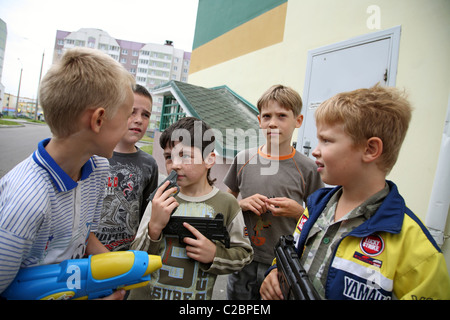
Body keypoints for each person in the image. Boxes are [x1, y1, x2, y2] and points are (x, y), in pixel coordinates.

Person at [260, 84, 450, 300]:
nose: (315, 150)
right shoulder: (315, 207)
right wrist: (274, 273)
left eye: (326, 140)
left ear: (370, 149)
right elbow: (291, 252)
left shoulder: (415, 247)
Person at [0, 47, 135, 299]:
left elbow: (84, 235)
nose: (130, 125)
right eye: (127, 116)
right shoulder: (26, 203)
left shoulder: (97, 168)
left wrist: (117, 267)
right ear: (98, 120)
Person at [127, 117, 253, 300]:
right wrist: (154, 228)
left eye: (184, 155)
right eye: (169, 157)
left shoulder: (228, 204)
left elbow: (244, 254)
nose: (175, 164)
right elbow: (136, 257)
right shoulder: (160, 198)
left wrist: (214, 255)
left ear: (209, 159)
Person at [223, 84, 324, 300]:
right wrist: (241, 204)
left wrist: (299, 212)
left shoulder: (308, 168)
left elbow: (320, 218)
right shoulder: (243, 159)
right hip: (242, 256)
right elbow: (223, 202)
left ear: (298, 120)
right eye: (267, 116)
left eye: (282, 116)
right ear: (259, 120)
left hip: (283, 264)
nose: (273, 123)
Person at [95, 84, 158, 251]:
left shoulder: (149, 164)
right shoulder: (93, 156)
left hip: (127, 258)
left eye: (146, 115)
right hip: (87, 258)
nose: (139, 119)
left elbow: (146, 214)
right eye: (132, 112)